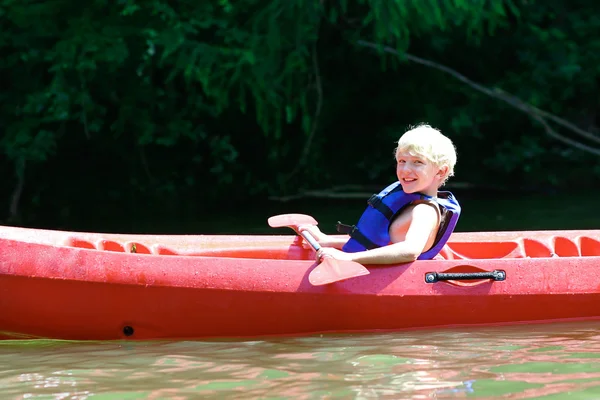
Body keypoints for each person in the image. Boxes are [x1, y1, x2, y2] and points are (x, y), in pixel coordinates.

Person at [299, 123, 460, 264]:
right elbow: (379, 243)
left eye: (418, 162)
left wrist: (346, 258)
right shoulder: (410, 203)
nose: (405, 169)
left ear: (441, 171)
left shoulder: (424, 211)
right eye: (402, 161)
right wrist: (327, 241)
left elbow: (410, 251)